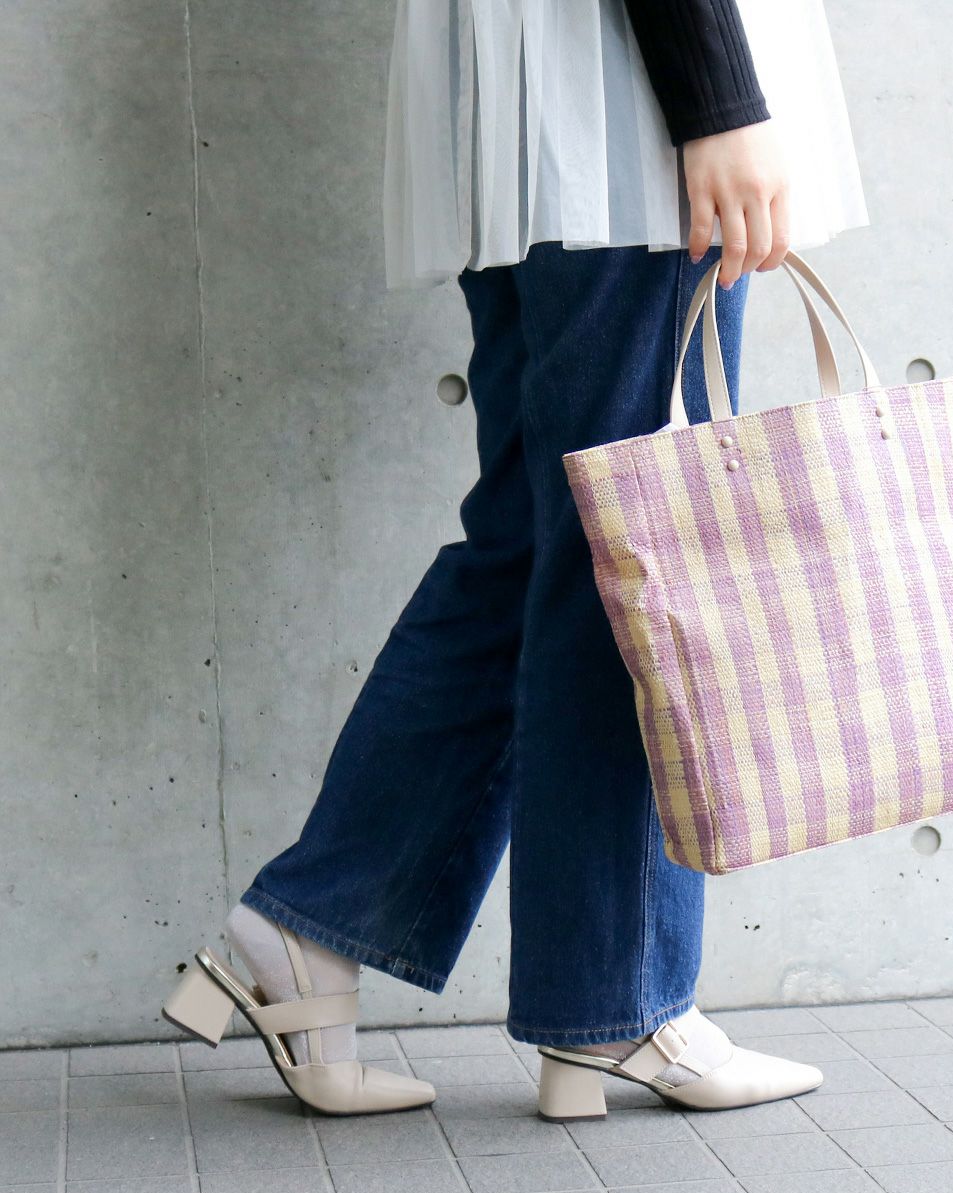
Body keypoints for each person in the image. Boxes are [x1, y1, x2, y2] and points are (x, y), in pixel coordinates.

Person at [162, 0, 869, 1121]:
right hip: (629, 113)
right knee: (630, 558)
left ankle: (315, 933)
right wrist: (719, 101)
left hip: (536, 107)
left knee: (542, 542)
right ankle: (617, 1005)